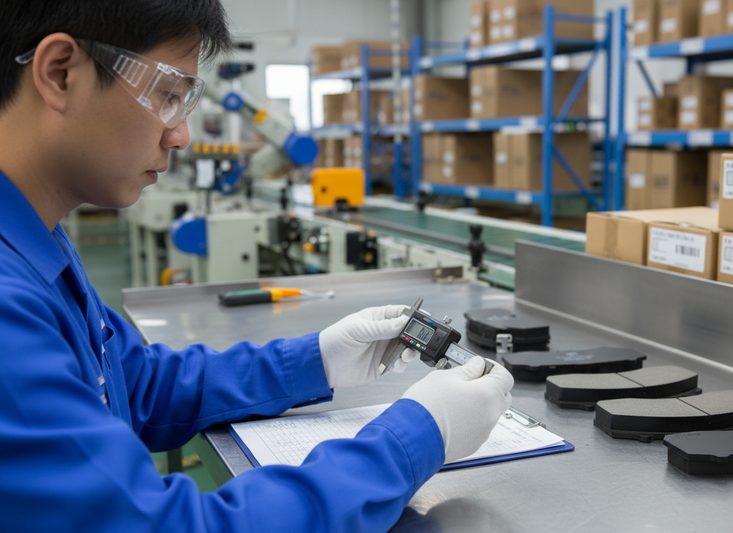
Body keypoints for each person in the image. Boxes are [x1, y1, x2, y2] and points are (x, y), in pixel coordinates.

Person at [0, 1, 515, 531]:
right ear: (60, 72)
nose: (181, 136)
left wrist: (317, 360)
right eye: (167, 96)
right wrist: (416, 438)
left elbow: (138, 386)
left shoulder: (38, 243)